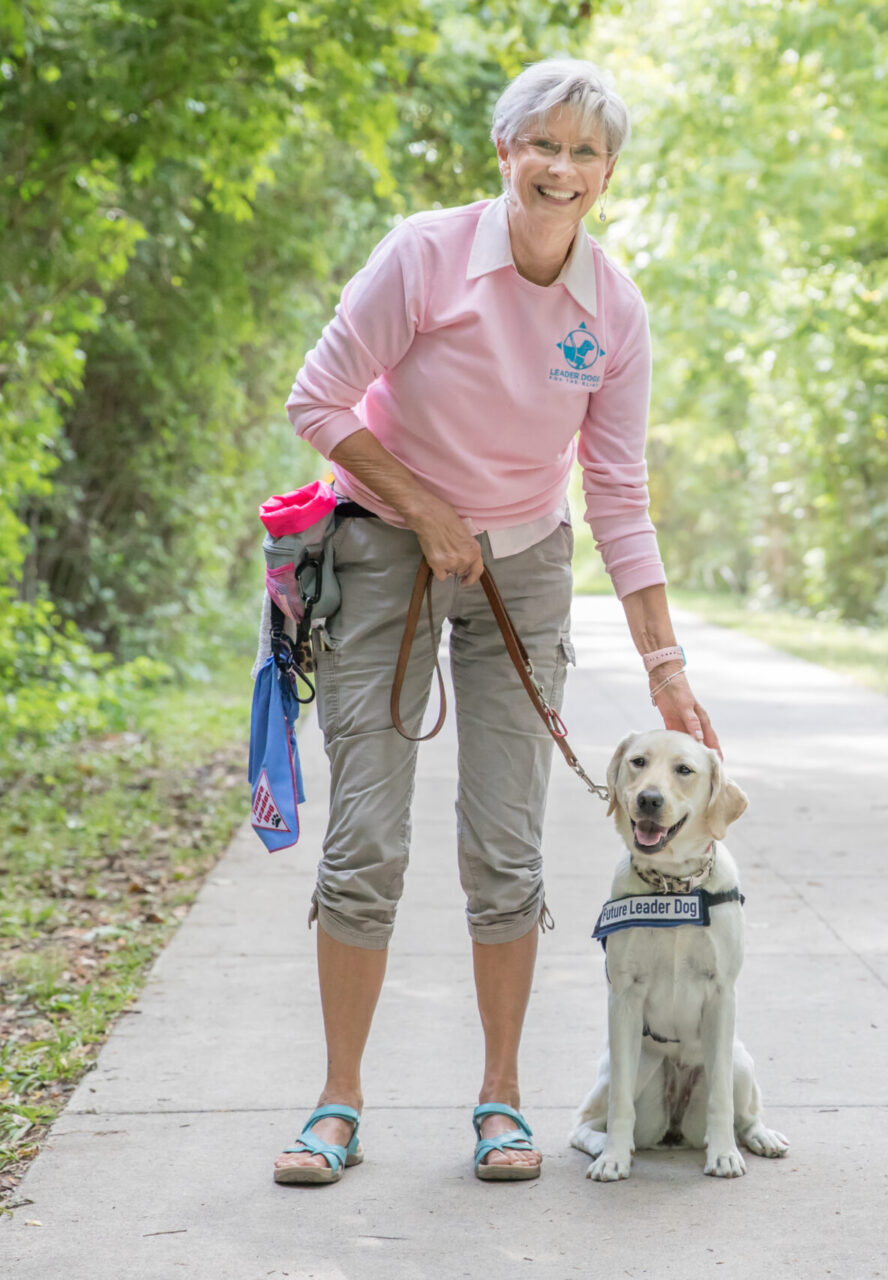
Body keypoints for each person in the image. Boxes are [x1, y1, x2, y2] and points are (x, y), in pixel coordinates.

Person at [271, 57, 717, 1185]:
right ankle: (337, 1100)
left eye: (585, 153)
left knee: (506, 846)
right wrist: (425, 508)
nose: (561, 169)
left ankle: (501, 1100)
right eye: (544, 145)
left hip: (525, 573)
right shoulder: (424, 255)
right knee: (366, 836)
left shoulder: (613, 309)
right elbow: (315, 399)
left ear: (608, 174)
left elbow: (616, 491)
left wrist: (667, 668)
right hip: (385, 554)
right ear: (505, 152)